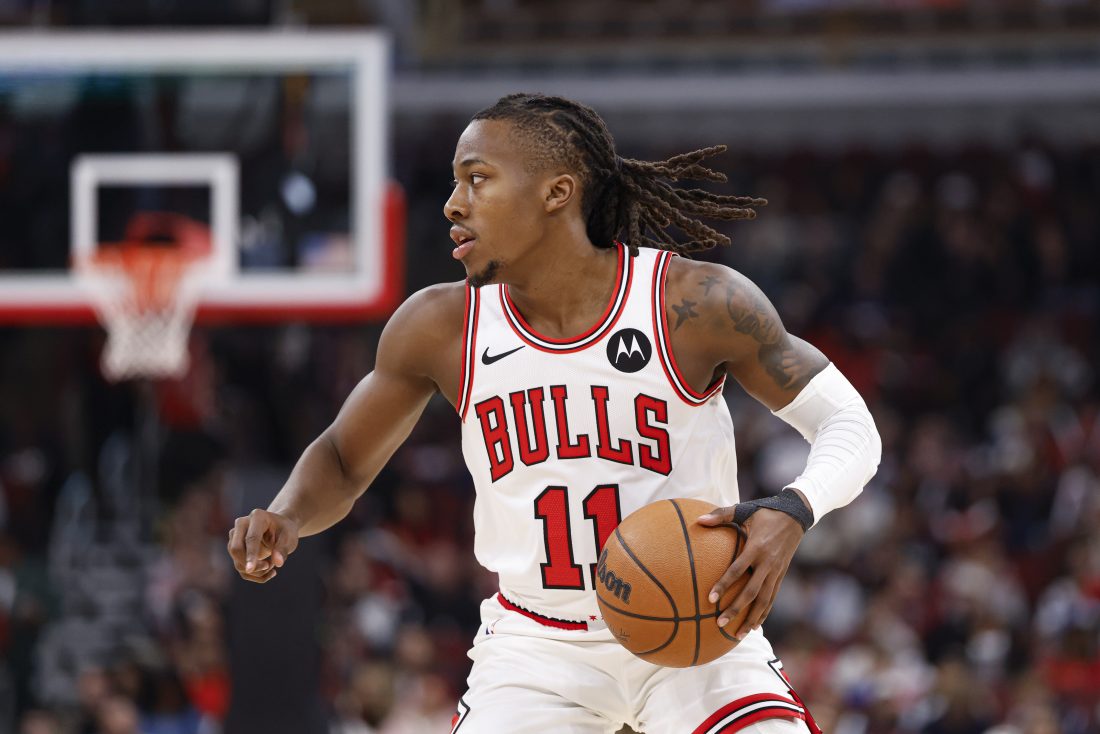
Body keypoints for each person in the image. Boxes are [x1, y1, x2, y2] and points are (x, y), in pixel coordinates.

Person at [227, 93, 882, 733]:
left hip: (702, 630)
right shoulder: (441, 326)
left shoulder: (694, 303)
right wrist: (287, 514)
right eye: (456, 183)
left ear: (556, 192)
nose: (454, 204)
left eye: (478, 180)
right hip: (539, 646)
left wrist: (795, 509)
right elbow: (343, 458)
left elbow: (850, 427)